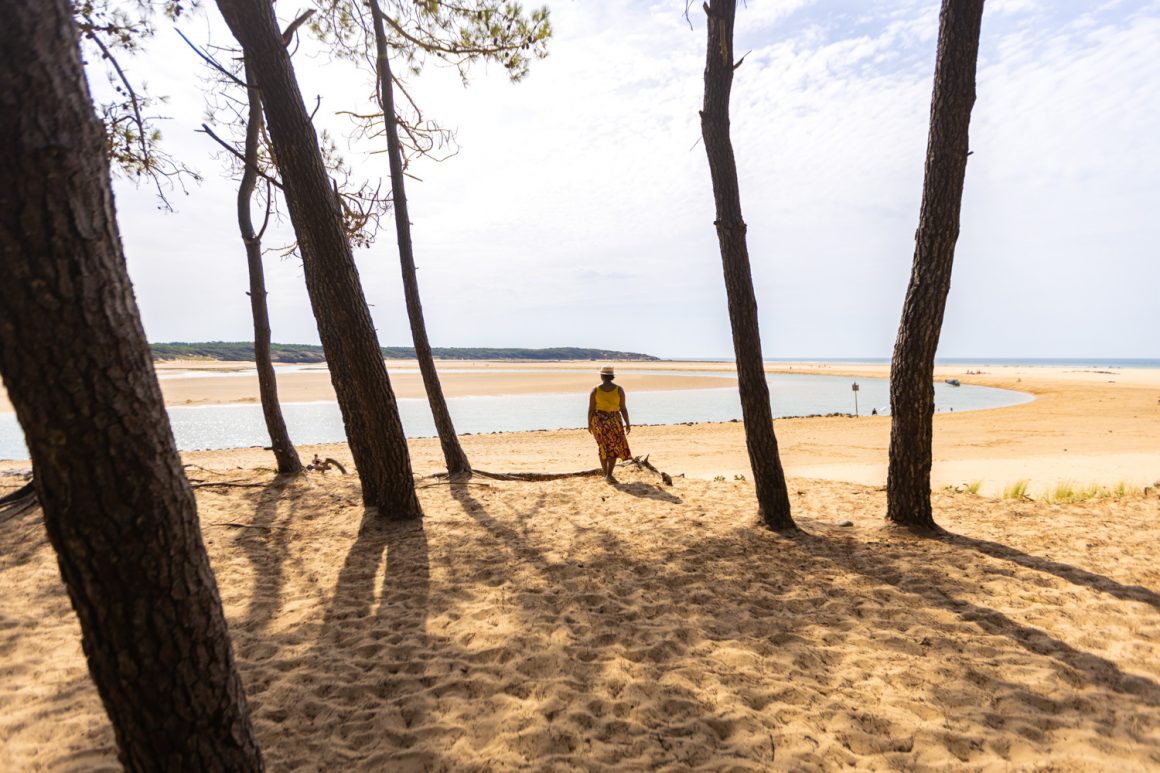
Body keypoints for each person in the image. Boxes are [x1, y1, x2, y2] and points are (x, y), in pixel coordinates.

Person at [588, 365, 632, 482]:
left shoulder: (595, 390)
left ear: (602, 376)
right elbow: (623, 408)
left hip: (598, 421)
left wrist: (589, 424)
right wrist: (627, 423)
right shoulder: (619, 390)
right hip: (614, 421)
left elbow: (591, 409)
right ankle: (609, 475)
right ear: (612, 376)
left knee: (602, 447)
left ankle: (605, 474)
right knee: (614, 447)